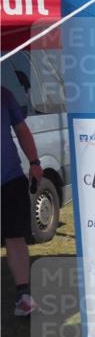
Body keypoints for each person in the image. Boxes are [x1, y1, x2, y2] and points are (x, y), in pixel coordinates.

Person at [2, 87, 44, 316]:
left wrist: (35, 162)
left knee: (15, 237)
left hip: (10, 179)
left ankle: (23, 297)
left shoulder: (4, 95)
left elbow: (22, 130)